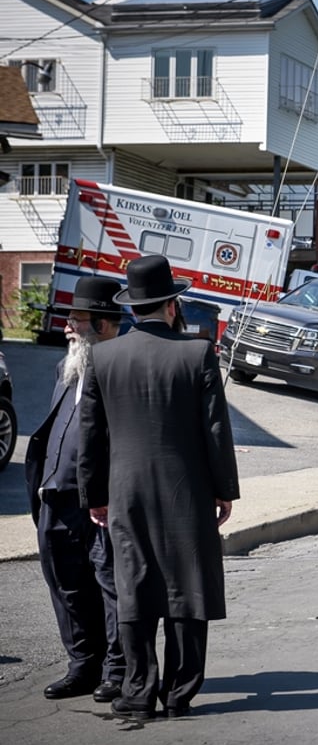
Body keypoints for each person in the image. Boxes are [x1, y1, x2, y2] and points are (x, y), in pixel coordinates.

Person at [77, 254, 239, 720]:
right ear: (172, 305)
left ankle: (137, 690)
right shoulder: (197, 352)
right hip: (186, 488)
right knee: (187, 585)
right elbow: (215, 429)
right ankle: (179, 691)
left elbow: (92, 435)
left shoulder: (103, 356)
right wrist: (223, 488)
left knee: (135, 585)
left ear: (132, 309)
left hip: (126, 490)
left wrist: (96, 496)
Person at [25, 276, 126, 703]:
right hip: (55, 497)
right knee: (64, 584)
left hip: (101, 504)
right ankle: (82, 666)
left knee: (110, 587)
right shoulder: (66, 368)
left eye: (76, 320)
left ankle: (116, 672)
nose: (66, 327)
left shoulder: (123, 370)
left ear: (102, 325)